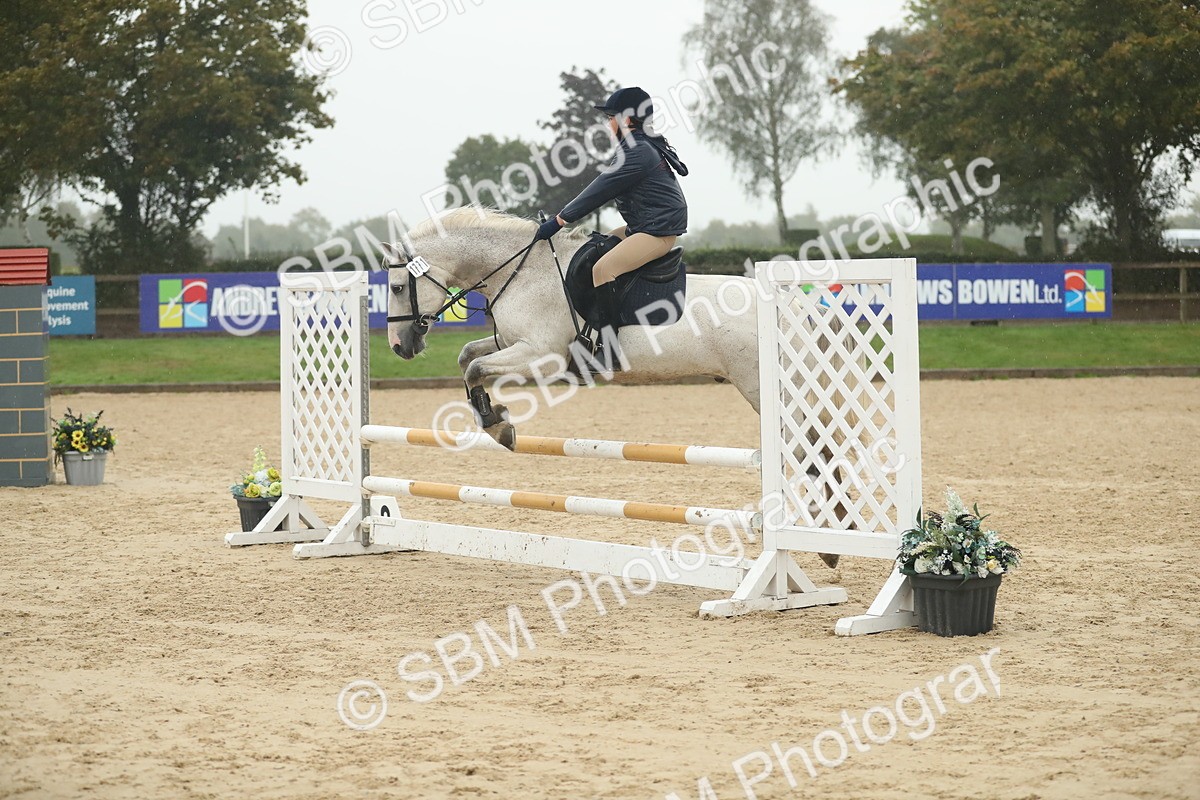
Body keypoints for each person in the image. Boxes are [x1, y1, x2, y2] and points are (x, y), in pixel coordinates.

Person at [534, 86, 688, 289]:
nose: (607, 124)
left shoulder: (638, 150)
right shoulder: (637, 145)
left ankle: (607, 323)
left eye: (610, 118)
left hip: (657, 232)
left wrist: (559, 220)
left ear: (625, 119)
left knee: (603, 270)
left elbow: (601, 188)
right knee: (591, 250)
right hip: (645, 227)